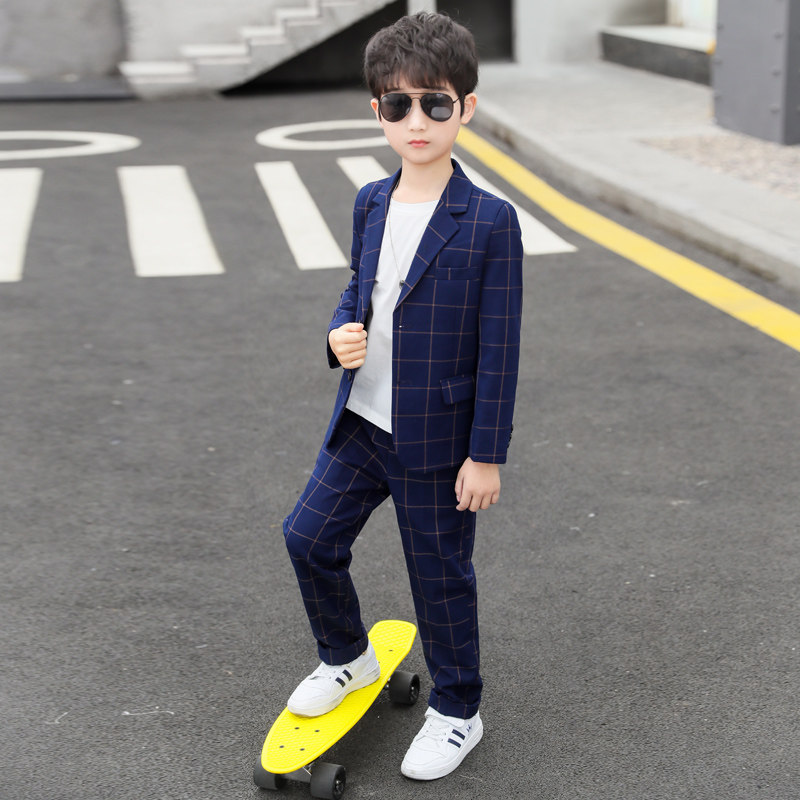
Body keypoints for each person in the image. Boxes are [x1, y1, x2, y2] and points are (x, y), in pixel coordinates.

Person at [281, 11, 523, 781]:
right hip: (363, 420)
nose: (416, 121)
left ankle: (457, 710)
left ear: (466, 108)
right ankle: (347, 658)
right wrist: (337, 336)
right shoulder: (370, 201)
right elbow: (360, 288)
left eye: (435, 103)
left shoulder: (490, 222)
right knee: (308, 538)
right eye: (398, 105)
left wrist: (485, 455)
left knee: (439, 581)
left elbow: (501, 350)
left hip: (438, 438)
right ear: (377, 112)